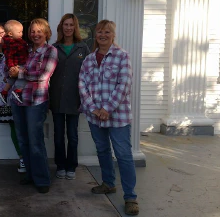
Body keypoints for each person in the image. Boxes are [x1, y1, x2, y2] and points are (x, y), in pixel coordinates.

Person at [78, 20, 139, 215]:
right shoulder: (88, 60)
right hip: (95, 116)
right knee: (102, 150)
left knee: (123, 155)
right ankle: (108, 183)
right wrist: (93, 109)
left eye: (107, 32)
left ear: (113, 35)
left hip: (117, 116)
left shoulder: (122, 57)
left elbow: (124, 85)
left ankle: (130, 197)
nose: (102, 35)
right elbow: (82, 85)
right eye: (99, 32)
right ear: (95, 35)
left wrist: (107, 108)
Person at [8, 18, 58, 194]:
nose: (35, 34)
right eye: (32, 31)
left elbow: (43, 75)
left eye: (39, 31)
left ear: (46, 33)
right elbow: (12, 67)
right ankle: (30, 174)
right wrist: (12, 70)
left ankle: (42, 179)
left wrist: (20, 71)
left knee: (35, 140)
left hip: (36, 101)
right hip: (18, 99)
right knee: (23, 139)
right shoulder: (24, 49)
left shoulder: (51, 51)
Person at [49, 14, 90, 180]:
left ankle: (71, 165)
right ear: (61, 27)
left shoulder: (82, 48)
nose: (68, 28)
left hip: (75, 98)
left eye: (71, 25)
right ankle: (60, 165)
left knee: (72, 135)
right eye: (65, 25)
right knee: (58, 135)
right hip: (57, 98)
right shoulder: (54, 48)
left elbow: (89, 73)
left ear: (75, 27)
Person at [0, 23, 26, 173]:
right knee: (12, 127)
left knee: (21, 127)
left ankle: (28, 157)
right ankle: (22, 157)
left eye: (1, 33)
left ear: (8, 33)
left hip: (18, 94)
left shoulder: (17, 49)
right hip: (3, 97)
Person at [0, 20, 28, 104]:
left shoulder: (8, 42)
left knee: (12, 78)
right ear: (10, 34)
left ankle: (4, 92)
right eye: (19, 32)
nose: (21, 34)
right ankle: (18, 90)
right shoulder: (14, 43)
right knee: (22, 76)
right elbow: (9, 56)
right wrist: (11, 67)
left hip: (12, 64)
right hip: (17, 64)